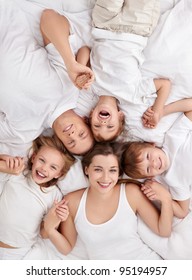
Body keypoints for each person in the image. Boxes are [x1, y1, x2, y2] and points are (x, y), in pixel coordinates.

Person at [43, 142, 173, 260]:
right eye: (98, 170)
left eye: (112, 170)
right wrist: (50, 229)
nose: (106, 178)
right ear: (87, 169)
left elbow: (163, 231)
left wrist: (166, 199)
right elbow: (67, 248)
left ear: (118, 173)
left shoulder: (131, 193)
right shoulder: (72, 202)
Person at [0, 1, 95, 158]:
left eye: (71, 142)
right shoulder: (70, 86)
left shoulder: (25, 132)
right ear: (84, 120)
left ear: (59, 141)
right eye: (81, 134)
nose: (72, 134)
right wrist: (70, 63)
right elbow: (49, 17)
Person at [0, 135, 75, 260]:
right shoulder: (18, 173)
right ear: (34, 158)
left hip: (16, 252)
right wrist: (4, 159)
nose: (44, 168)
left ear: (58, 174)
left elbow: (44, 234)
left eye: (53, 167)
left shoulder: (54, 196)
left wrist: (55, 219)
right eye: (42, 160)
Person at [122, 98, 192, 219]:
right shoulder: (172, 180)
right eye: (148, 169)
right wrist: (162, 195)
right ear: (151, 177)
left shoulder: (172, 138)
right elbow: (182, 212)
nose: (153, 164)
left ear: (151, 144)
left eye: (148, 156)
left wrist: (161, 112)